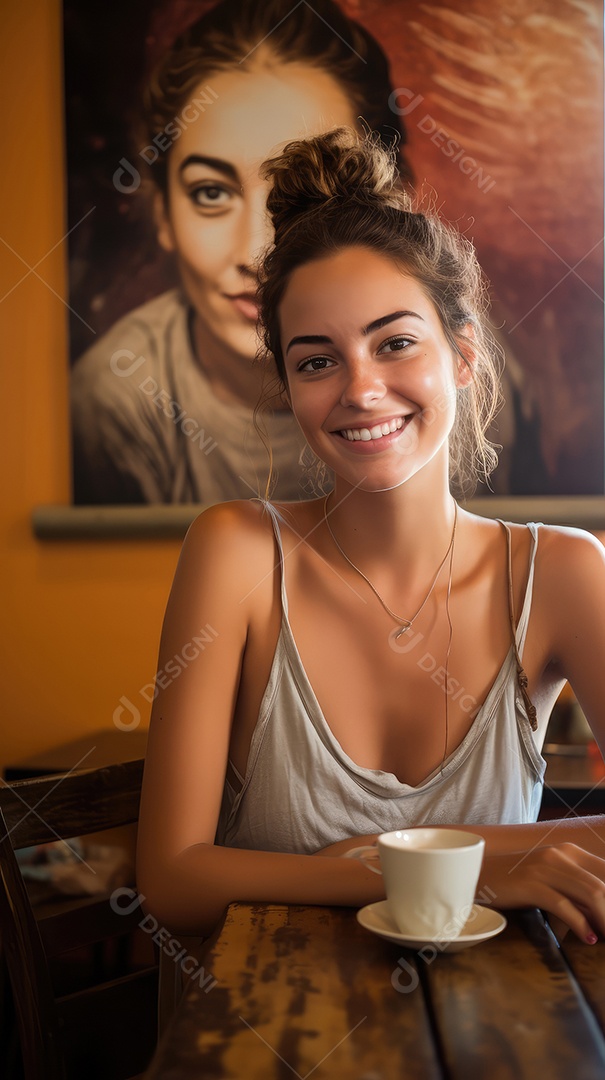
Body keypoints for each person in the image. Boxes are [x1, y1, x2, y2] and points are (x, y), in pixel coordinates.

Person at [137, 128, 605, 944]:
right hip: (268, 1041)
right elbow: (173, 880)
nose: (361, 390)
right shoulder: (235, 551)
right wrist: (411, 862)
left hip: (504, 1045)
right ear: (285, 385)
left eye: (394, 343)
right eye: (316, 361)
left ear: (461, 354)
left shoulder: (563, 570)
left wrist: (383, 851)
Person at [70, 0, 411, 504]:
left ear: (389, 204)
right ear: (162, 212)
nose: (257, 253)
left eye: (308, 192)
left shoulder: (459, 376)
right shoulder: (113, 402)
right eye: (211, 193)